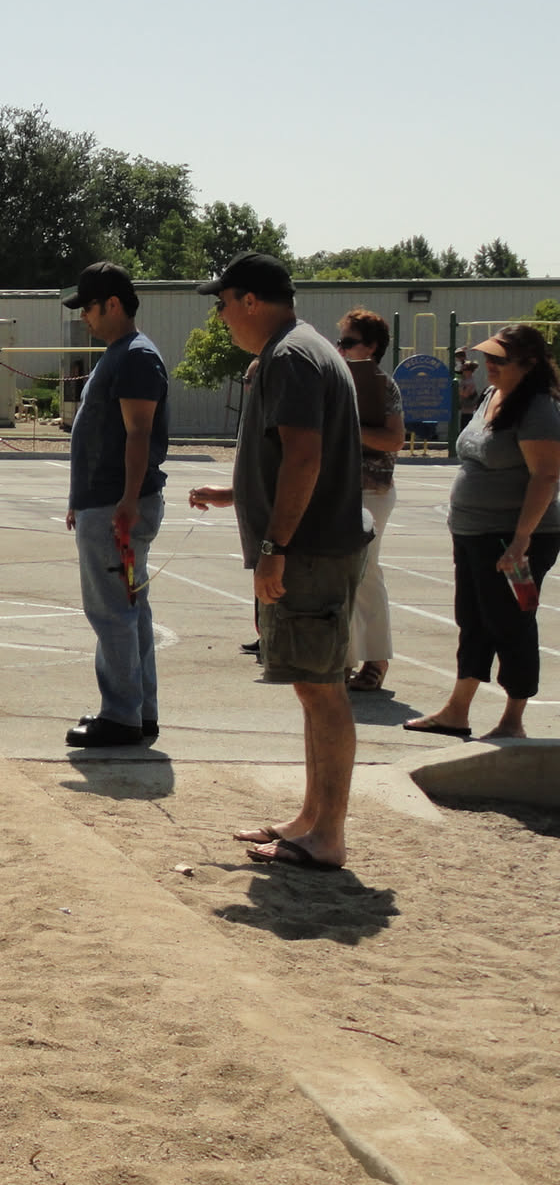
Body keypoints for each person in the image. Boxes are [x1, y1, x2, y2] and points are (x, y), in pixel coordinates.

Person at [187, 253, 370, 871]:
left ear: (251, 300)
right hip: (313, 547)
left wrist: (274, 548)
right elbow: (290, 459)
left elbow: (305, 458)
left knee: (322, 690)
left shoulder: (291, 356)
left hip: (309, 552)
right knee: (311, 688)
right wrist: (236, 493)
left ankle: (328, 834)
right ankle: (311, 819)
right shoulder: (301, 349)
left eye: (223, 303)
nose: (220, 316)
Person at [404, 324, 560, 740]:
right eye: (488, 356)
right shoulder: (493, 395)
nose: (489, 364)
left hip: (513, 538)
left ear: (529, 363)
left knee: (511, 624)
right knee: (473, 620)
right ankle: (457, 711)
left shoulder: (537, 407)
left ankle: (513, 719)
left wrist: (522, 540)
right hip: (474, 532)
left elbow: (546, 476)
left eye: (499, 359)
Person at [60, 262, 169, 748]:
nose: (83, 316)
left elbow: (138, 432)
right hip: (104, 502)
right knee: (130, 608)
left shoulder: (135, 357)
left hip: (116, 506)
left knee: (112, 612)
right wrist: (78, 499)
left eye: (88, 307)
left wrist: (126, 500)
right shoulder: (120, 354)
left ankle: (122, 715)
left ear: (113, 304)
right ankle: (138, 711)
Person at [336, 309, 406, 692]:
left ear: (373, 346)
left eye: (349, 342)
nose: (341, 349)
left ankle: (376, 659)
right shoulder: (335, 378)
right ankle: (344, 659)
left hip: (371, 490)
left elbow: (394, 440)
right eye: (340, 342)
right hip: (337, 488)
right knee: (340, 576)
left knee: (366, 573)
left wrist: (350, 426)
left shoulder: (383, 386)